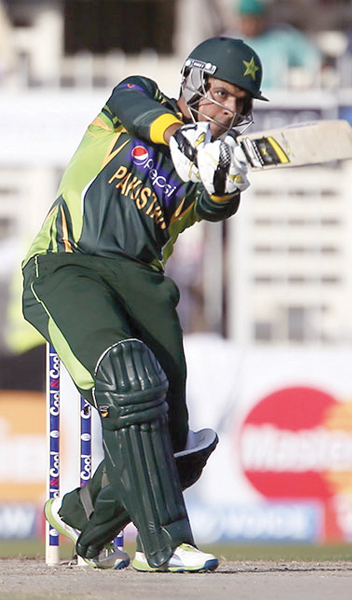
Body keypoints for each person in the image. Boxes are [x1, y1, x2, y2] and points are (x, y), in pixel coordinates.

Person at [21, 36, 268, 572]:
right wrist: (180, 135)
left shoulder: (209, 164)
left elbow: (215, 206)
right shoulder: (138, 99)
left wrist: (224, 183)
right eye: (220, 94)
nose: (227, 110)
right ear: (195, 82)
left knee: (175, 449)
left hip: (144, 285)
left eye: (240, 104)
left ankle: (82, 514)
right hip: (69, 263)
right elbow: (131, 105)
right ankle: (164, 546)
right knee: (129, 380)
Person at [231, 0, 322, 90]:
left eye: (255, 19)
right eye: (246, 20)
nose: (251, 25)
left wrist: (303, 77)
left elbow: (312, 57)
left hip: (280, 99)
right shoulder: (232, 44)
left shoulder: (283, 37)